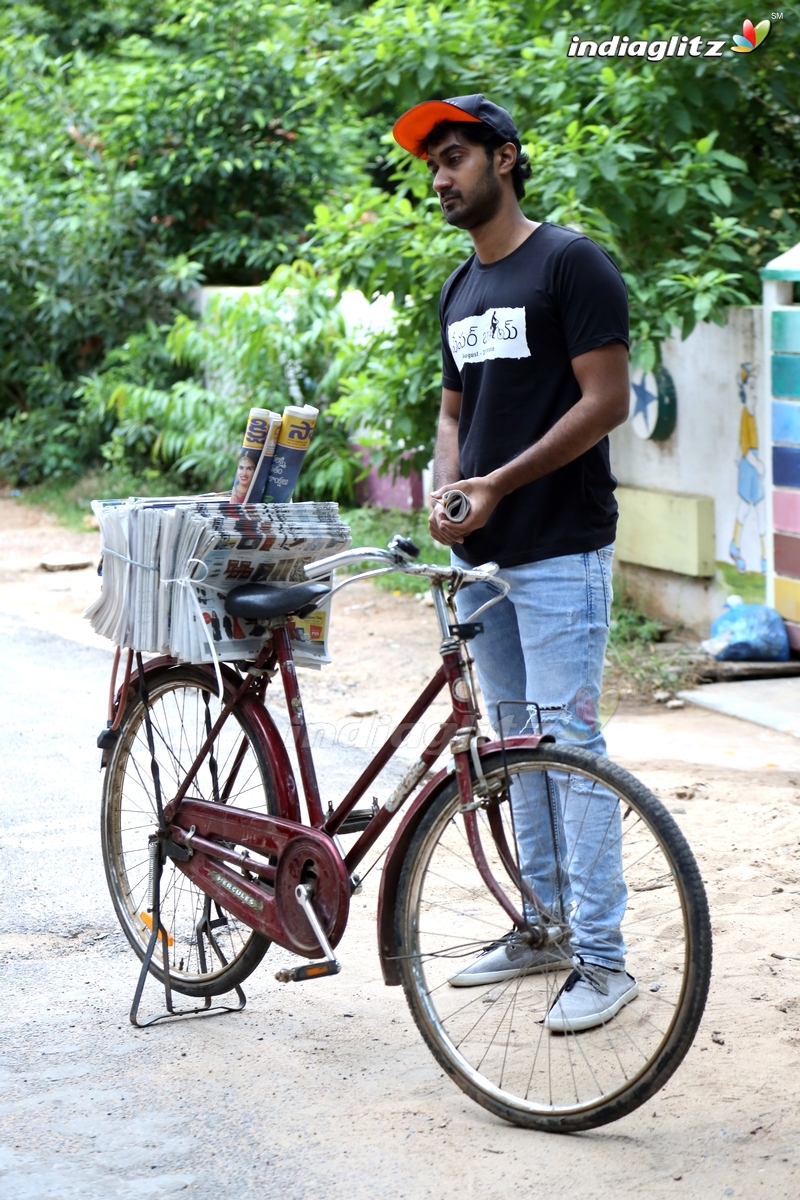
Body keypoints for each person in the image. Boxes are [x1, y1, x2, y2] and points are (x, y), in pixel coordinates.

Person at [392, 94, 636, 1031]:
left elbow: (605, 401)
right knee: (512, 754)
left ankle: (606, 961)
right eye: (434, 167)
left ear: (506, 158)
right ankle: (542, 927)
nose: (442, 179)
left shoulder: (569, 263)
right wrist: (453, 490)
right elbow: (455, 415)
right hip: (485, 564)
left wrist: (498, 484)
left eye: (455, 157)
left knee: (570, 751)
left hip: (560, 551)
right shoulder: (461, 288)